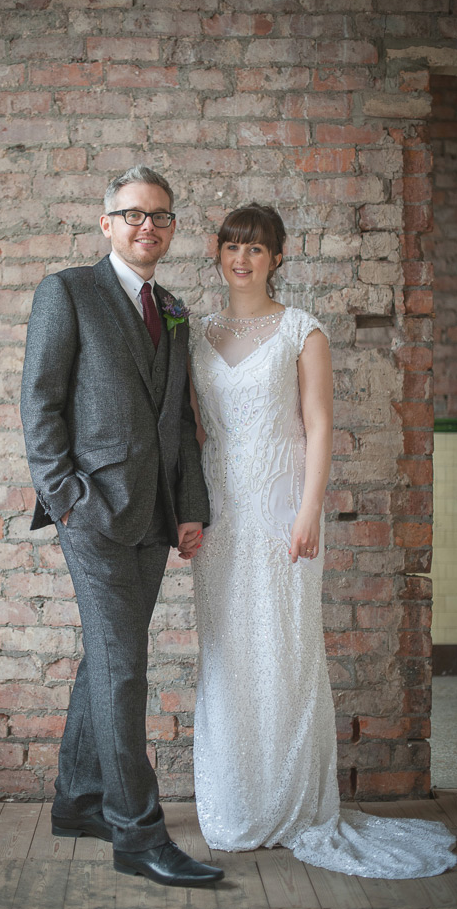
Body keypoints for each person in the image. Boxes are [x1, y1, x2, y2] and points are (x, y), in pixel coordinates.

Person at [188, 203, 457, 877]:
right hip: (221, 514)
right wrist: (187, 512)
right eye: (232, 246)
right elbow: (195, 437)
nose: (242, 258)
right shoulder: (196, 335)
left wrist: (309, 512)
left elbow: (318, 427)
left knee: (284, 647)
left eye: (256, 248)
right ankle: (236, 803)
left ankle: (294, 802)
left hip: (282, 510)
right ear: (217, 253)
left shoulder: (302, 332)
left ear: (278, 257)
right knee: (227, 651)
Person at [20, 166, 224, 888]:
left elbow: (180, 424)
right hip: (93, 515)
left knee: (109, 659)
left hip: (154, 518)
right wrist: (67, 496)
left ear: (171, 228)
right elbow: (40, 404)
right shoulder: (68, 292)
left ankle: (79, 799)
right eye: (133, 214)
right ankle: (138, 834)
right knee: (124, 667)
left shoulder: (172, 309)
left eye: (161, 216)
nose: (148, 226)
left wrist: (191, 506)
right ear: (106, 222)